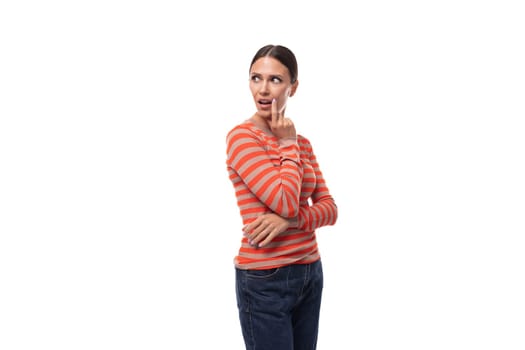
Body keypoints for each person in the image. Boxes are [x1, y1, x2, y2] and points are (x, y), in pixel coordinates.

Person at [225, 44, 339, 350]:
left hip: (309, 272)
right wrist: (287, 143)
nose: (263, 89)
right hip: (265, 280)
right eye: (255, 78)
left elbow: (330, 209)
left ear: (293, 87)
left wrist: (289, 223)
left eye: (275, 80)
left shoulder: (304, 143)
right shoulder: (242, 138)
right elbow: (286, 201)